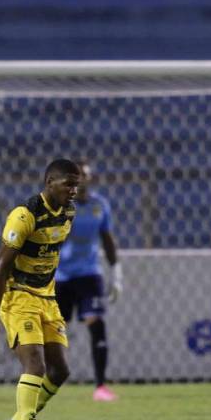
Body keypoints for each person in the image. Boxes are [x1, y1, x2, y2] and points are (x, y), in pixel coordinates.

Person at [0, 159, 81, 420]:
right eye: (68, 184)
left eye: (77, 185)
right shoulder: (24, 215)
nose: (74, 191)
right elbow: (0, 269)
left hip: (47, 298)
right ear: (50, 182)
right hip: (18, 297)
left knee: (60, 371)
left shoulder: (68, 213)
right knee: (34, 367)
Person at [55, 163, 122, 402]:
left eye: (85, 175)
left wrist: (116, 273)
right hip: (60, 275)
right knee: (53, 330)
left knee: (96, 323)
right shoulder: (60, 206)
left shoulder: (99, 205)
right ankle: (48, 379)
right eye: (77, 176)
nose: (82, 179)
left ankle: (101, 386)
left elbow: (107, 239)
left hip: (89, 274)